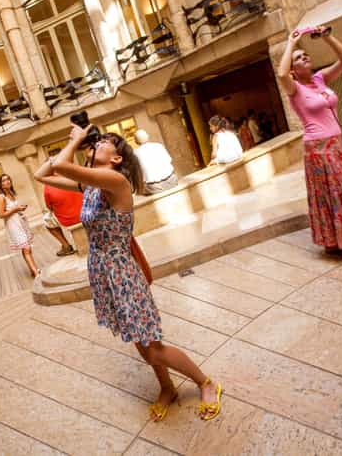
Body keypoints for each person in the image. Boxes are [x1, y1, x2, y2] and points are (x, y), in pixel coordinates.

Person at [34, 125, 223, 423]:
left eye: (106, 142)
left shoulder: (114, 181)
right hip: (103, 270)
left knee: (153, 349)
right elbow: (42, 174)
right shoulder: (93, 185)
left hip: (122, 271)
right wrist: (77, 143)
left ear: (117, 159)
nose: (98, 144)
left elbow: (59, 164)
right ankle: (167, 387)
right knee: (139, 336)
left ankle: (205, 382)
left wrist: (75, 140)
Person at [277, 25, 342, 264]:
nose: (304, 57)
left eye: (305, 54)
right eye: (298, 58)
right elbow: (281, 75)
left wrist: (327, 37)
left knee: (340, 192)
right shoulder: (294, 89)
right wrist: (291, 42)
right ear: (293, 69)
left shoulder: (321, 78)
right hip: (318, 149)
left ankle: (337, 241)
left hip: (337, 144)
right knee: (339, 192)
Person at [0, 174, 40, 277]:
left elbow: (13, 209)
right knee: (26, 248)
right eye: (3, 181)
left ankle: (32, 270)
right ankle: (36, 272)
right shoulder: (1, 197)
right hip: (13, 225)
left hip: (20, 222)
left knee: (26, 247)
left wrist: (20, 208)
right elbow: (1, 214)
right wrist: (16, 209)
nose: (7, 182)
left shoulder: (11, 193)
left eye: (8, 179)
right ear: (0, 185)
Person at [133, 129, 179, 195]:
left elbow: (137, 173)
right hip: (171, 181)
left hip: (154, 187)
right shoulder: (159, 146)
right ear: (147, 136)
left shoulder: (135, 153)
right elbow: (169, 161)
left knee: (139, 190)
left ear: (136, 141)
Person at [43, 184, 82, 256]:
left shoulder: (48, 187)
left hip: (68, 220)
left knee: (47, 220)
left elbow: (49, 207)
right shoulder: (73, 177)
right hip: (85, 212)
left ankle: (66, 246)